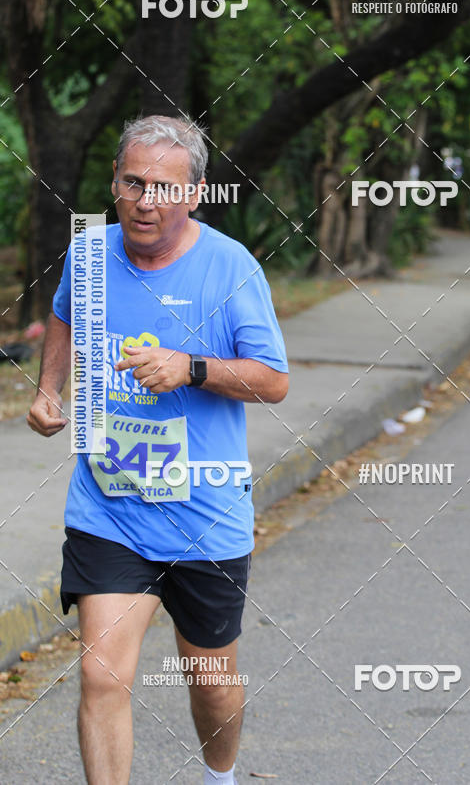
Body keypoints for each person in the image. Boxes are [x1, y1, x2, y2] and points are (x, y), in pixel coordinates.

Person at [27, 114, 289, 785]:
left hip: (205, 514)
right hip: (110, 507)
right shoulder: (89, 255)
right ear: (114, 184)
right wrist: (49, 390)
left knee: (210, 680)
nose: (148, 200)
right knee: (100, 672)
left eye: (166, 188)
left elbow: (275, 382)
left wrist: (192, 368)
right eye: (134, 182)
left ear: (195, 194)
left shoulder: (230, 268)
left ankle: (220, 775)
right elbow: (62, 313)